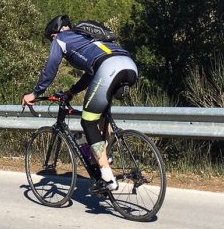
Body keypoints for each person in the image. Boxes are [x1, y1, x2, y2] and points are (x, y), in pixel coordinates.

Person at [22, 14, 138, 194]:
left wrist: (35, 93)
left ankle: (107, 178)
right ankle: (105, 156)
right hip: (129, 65)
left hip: (109, 68)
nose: (52, 41)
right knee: (100, 115)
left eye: (51, 38)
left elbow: (51, 67)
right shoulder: (87, 38)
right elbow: (92, 73)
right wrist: (72, 92)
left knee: (87, 122)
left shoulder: (60, 39)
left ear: (56, 33)